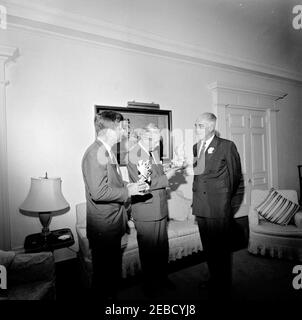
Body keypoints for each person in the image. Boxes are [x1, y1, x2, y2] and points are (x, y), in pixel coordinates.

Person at [82, 111, 147, 301]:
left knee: (111, 276)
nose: (125, 131)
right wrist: (129, 192)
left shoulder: (107, 151)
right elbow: (99, 192)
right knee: (104, 279)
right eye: (122, 127)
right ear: (113, 128)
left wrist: (128, 186)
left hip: (113, 224)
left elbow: (112, 184)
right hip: (104, 226)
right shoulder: (95, 153)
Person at [192, 112, 242, 300]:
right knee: (209, 248)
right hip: (201, 206)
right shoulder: (196, 147)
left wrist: (225, 200)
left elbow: (235, 176)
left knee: (221, 249)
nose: (196, 129)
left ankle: (223, 286)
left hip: (218, 207)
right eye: (196, 125)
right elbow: (198, 176)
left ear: (211, 127)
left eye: (200, 125)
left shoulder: (226, 146)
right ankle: (214, 279)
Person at [127, 123, 180, 296]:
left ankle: (162, 278)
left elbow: (155, 173)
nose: (157, 144)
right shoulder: (136, 153)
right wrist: (169, 177)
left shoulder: (152, 152)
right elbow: (146, 183)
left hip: (159, 208)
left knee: (161, 249)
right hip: (147, 211)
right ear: (144, 137)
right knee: (149, 251)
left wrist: (170, 168)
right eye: (154, 140)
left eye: (158, 140)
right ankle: (150, 286)